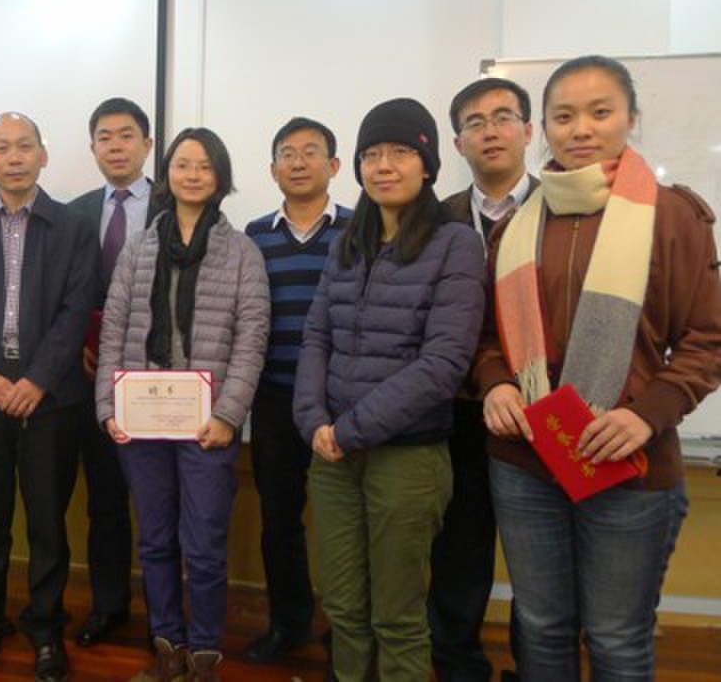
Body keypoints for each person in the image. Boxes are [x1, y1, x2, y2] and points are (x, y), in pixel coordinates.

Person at [474, 55, 721, 681]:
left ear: (630, 119)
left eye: (600, 112)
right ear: (544, 129)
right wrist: (496, 384)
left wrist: (647, 416)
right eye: (564, 116)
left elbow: (707, 338)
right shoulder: (516, 226)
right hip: (526, 463)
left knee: (616, 638)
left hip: (628, 464)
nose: (581, 128)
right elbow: (487, 337)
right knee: (540, 626)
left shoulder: (672, 215)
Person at [293, 98, 485, 682]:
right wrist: (313, 420)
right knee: (343, 606)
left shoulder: (455, 243)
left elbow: (444, 363)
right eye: (371, 154)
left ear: (427, 164)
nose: (383, 165)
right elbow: (317, 334)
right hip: (332, 456)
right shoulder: (347, 241)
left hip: (407, 457)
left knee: (397, 615)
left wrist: (349, 430)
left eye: (400, 152)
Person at [97, 127, 270, 681]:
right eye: (182, 164)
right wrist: (109, 407)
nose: (192, 174)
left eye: (204, 165)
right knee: (154, 540)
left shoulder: (241, 251)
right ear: (167, 173)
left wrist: (229, 414)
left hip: (207, 425)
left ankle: (204, 654)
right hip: (142, 420)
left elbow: (252, 340)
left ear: (220, 176)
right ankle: (167, 645)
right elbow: (113, 330)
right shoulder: (139, 247)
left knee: (204, 545)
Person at [0, 112, 97, 682]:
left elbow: (77, 307)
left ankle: (45, 628)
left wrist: (39, 379)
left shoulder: (75, 226)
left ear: (42, 154)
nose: (14, 157)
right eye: (1, 148)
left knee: (48, 521)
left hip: (50, 399)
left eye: (24, 146)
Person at [430, 77, 538, 682]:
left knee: (538, 555)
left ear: (528, 130)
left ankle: (535, 664)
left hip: (541, 408)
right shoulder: (435, 218)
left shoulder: (563, 208)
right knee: (459, 546)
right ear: (458, 143)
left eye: (503, 117)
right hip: (457, 410)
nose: (489, 131)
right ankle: (457, 665)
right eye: (475, 123)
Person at [243, 117, 351, 664]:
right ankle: (289, 623)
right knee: (279, 519)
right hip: (273, 399)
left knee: (344, 522)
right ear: (273, 170)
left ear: (334, 165)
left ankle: (347, 629)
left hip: (341, 402)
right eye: (288, 153)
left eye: (311, 152)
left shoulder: (360, 229)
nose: (299, 162)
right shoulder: (254, 235)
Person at [68, 97, 160, 648]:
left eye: (127, 136)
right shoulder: (75, 212)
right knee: (104, 501)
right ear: (93, 147)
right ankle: (109, 605)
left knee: (161, 503)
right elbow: (66, 293)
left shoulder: (177, 202)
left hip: (160, 380)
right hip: (94, 378)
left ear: (147, 144)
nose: (116, 146)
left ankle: (165, 616)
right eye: (105, 137)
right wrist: (81, 346)